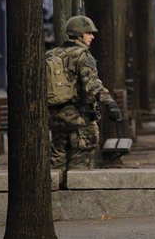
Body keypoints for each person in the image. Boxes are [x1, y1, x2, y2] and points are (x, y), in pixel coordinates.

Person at [48, 15, 123, 172]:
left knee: (57, 161)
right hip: (80, 118)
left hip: (56, 117)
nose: (92, 36)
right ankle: (76, 195)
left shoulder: (52, 54)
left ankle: (53, 194)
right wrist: (110, 103)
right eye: (89, 33)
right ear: (79, 34)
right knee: (80, 162)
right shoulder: (82, 55)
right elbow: (92, 83)